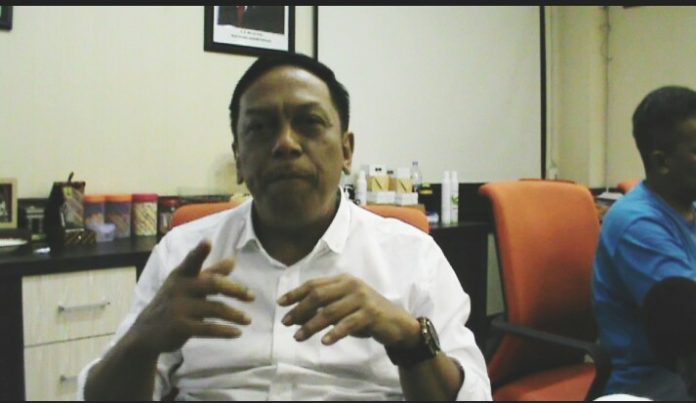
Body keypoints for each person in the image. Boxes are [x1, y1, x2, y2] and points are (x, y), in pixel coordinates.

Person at [79, 52, 491, 400]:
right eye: (260, 128)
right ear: (239, 159)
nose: (286, 144)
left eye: (309, 122)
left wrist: (410, 339)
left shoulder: (412, 257)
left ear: (346, 151)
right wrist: (142, 341)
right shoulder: (181, 255)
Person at [592, 85, 696, 397]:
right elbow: (688, 325)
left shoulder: (689, 206)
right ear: (662, 162)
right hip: (654, 381)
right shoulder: (637, 224)